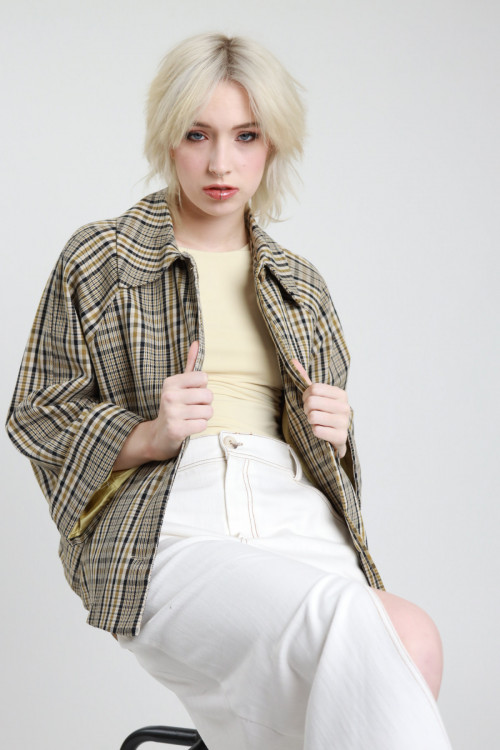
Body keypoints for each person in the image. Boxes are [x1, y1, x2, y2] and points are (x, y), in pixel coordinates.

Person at [6, 33, 452, 750]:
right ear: (168, 138)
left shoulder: (299, 283)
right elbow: (37, 413)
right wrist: (146, 435)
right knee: (353, 632)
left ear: (272, 144)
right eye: (198, 135)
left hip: (291, 508)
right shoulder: (101, 257)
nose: (221, 163)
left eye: (245, 136)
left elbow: (330, 463)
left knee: (414, 642)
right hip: (170, 518)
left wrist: (336, 432)